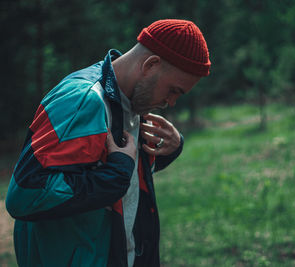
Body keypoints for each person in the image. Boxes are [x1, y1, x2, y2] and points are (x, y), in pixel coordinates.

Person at [5, 19, 211, 267]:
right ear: (151, 65)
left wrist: (168, 150)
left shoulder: (132, 102)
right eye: (173, 90)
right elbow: (25, 195)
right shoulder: (84, 101)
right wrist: (116, 174)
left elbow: (110, 176)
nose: (172, 102)